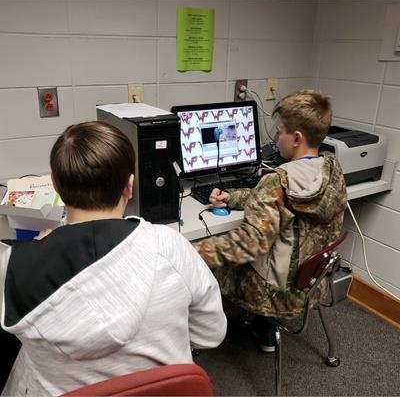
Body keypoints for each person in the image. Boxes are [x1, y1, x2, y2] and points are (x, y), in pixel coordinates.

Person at [0, 121, 227, 396]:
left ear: (56, 186)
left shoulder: (12, 265)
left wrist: (39, 249)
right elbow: (211, 334)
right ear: (129, 187)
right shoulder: (171, 246)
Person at [193, 89, 347, 352]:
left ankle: (199, 337)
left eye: (279, 132)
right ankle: (263, 328)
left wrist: (193, 251)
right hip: (311, 283)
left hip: (273, 293)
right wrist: (234, 197)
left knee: (205, 257)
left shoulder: (277, 180)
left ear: (296, 137)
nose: (276, 138)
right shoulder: (331, 169)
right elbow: (278, 198)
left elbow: (248, 245)